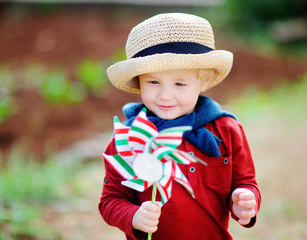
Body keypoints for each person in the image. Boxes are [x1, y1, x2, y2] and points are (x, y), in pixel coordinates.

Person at [98, 13, 261, 240]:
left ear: (204, 80)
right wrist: (134, 216)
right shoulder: (129, 138)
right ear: (138, 82)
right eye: (153, 82)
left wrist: (244, 200)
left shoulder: (227, 130)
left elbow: (244, 183)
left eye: (180, 83)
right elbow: (110, 200)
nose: (166, 95)